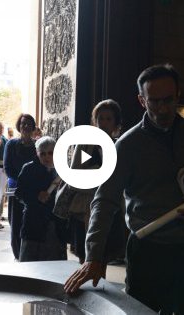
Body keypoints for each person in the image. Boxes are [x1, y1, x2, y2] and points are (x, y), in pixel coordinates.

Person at [64, 64, 184, 315]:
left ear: (179, 94)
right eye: (154, 101)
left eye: (168, 100)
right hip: (148, 250)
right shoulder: (127, 145)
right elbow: (104, 200)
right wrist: (93, 256)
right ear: (141, 100)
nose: (162, 108)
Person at [61, 99, 126, 264]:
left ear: (116, 122)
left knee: (104, 258)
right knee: (86, 261)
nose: (104, 123)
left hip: (111, 210)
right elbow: (72, 179)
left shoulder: (118, 146)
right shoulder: (86, 145)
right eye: (101, 118)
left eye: (108, 119)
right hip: (85, 210)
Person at [16, 136, 65, 262]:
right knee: (30, 264)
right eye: (42, 154)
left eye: (50, 153)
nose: (47, 157)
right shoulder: (28, 169)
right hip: (33, 222)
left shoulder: (62, 169)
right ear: (37, 153)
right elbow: (19, 193)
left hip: (54, 224)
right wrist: (36, 196)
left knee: (54, 265)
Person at [4, 114, 37, 260]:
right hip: (16, 189)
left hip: (33, 190)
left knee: (30, 222)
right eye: (23, 123)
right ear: (19, 126)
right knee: (15, 221)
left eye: (29, 123)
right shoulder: (11, 144)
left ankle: (29, 253)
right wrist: (22, 182)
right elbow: (7, 168)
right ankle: (18, 255)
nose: (26, 126)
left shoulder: (38, 145)